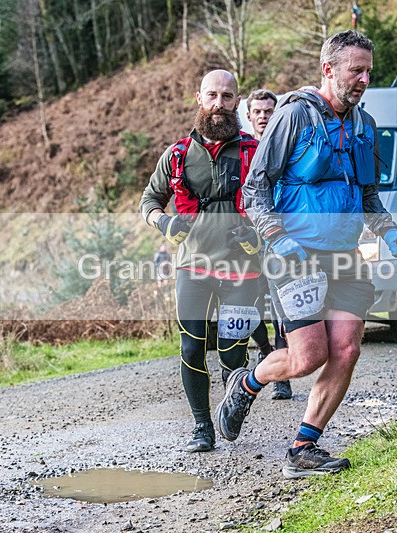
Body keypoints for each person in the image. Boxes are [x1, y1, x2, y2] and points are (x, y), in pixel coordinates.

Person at [217, 30, 397, 479]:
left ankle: (304, 447)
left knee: (346, 348)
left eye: (368, 71)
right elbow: (255, 188)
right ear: (329, 69)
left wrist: (386, 228)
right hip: (294, 255)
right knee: (307, 358)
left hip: (345, 255)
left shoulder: (365, 125)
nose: (363, 79)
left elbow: (367, 195)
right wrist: (274, 234)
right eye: (355, 70)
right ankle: (247, 382)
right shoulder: (295, 117)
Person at [140, 69, 264, 453]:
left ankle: (231, 408)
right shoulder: (177, 154)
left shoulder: (255, 152)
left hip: (243, 270)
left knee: (232, 349)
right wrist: (164, 222)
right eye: (212, 95)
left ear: (237, 102)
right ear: (199, 98)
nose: (219, 104)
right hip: (192, 269)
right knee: (192, 348)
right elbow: (149, 201)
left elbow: (279, 204)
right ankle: (201, 427)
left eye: (227, 97)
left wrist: (256, 235)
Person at [245, 88, 293, 401]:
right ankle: (264, 352)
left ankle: (282, 378)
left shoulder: (285, 147)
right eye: (258, 112)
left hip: (278, 241)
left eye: (268, 111)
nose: (263, 117)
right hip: (244, 246)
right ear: (248, 116)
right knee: (248, 311)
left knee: (280, 312)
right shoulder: (242, 151)